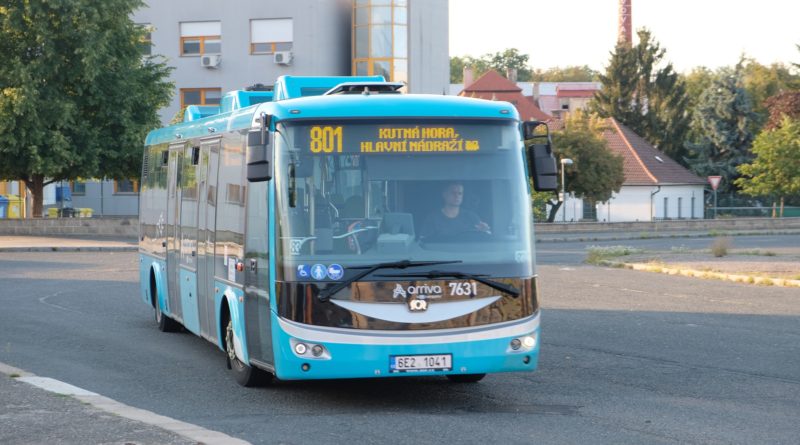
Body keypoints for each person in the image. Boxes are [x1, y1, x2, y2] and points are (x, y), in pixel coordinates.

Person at [421, 182, 490, 240]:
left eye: (460, 193)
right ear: (444, 194)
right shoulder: (433, 218)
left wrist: (485, 231)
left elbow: (482, 239)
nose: (457, 196)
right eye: (453, 193)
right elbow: (424, 241)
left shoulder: (471, 217)